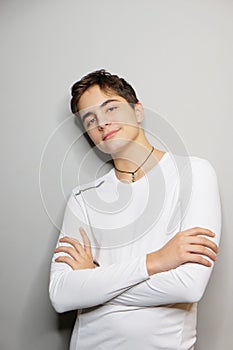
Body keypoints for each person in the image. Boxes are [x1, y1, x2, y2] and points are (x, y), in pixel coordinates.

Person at [49, 69, 221, 350]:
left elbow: (189, 285)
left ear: (137, 111)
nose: (102, 123)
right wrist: (155, 261)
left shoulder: (194, 174)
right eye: (90, 119)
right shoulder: (82, 199)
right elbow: (61, 295)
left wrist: (92, 283)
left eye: (111, 108)